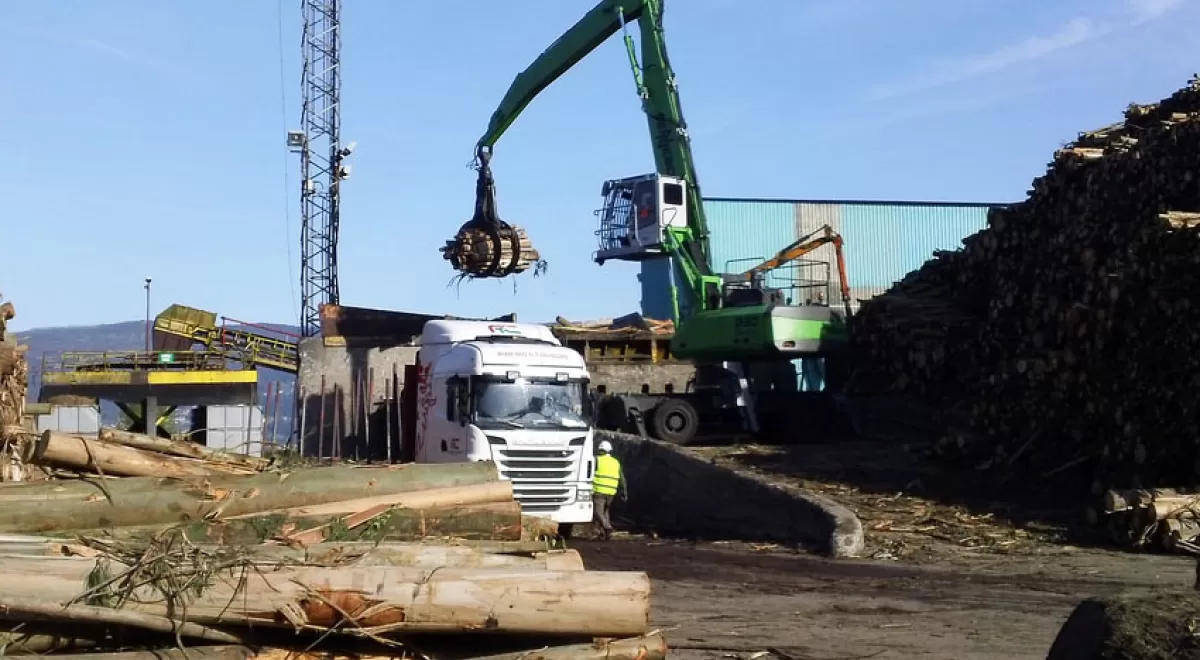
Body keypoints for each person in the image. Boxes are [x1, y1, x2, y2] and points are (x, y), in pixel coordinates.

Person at [592, 440, 627, 540]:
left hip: (599, 490)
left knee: (598, 512)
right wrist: (624, 492)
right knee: (605, 512)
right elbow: (622, 478)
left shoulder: (597, 460)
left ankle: (607, 528)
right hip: (611, 492)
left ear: (600, 450)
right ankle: (605, 534)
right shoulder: (616, 462)